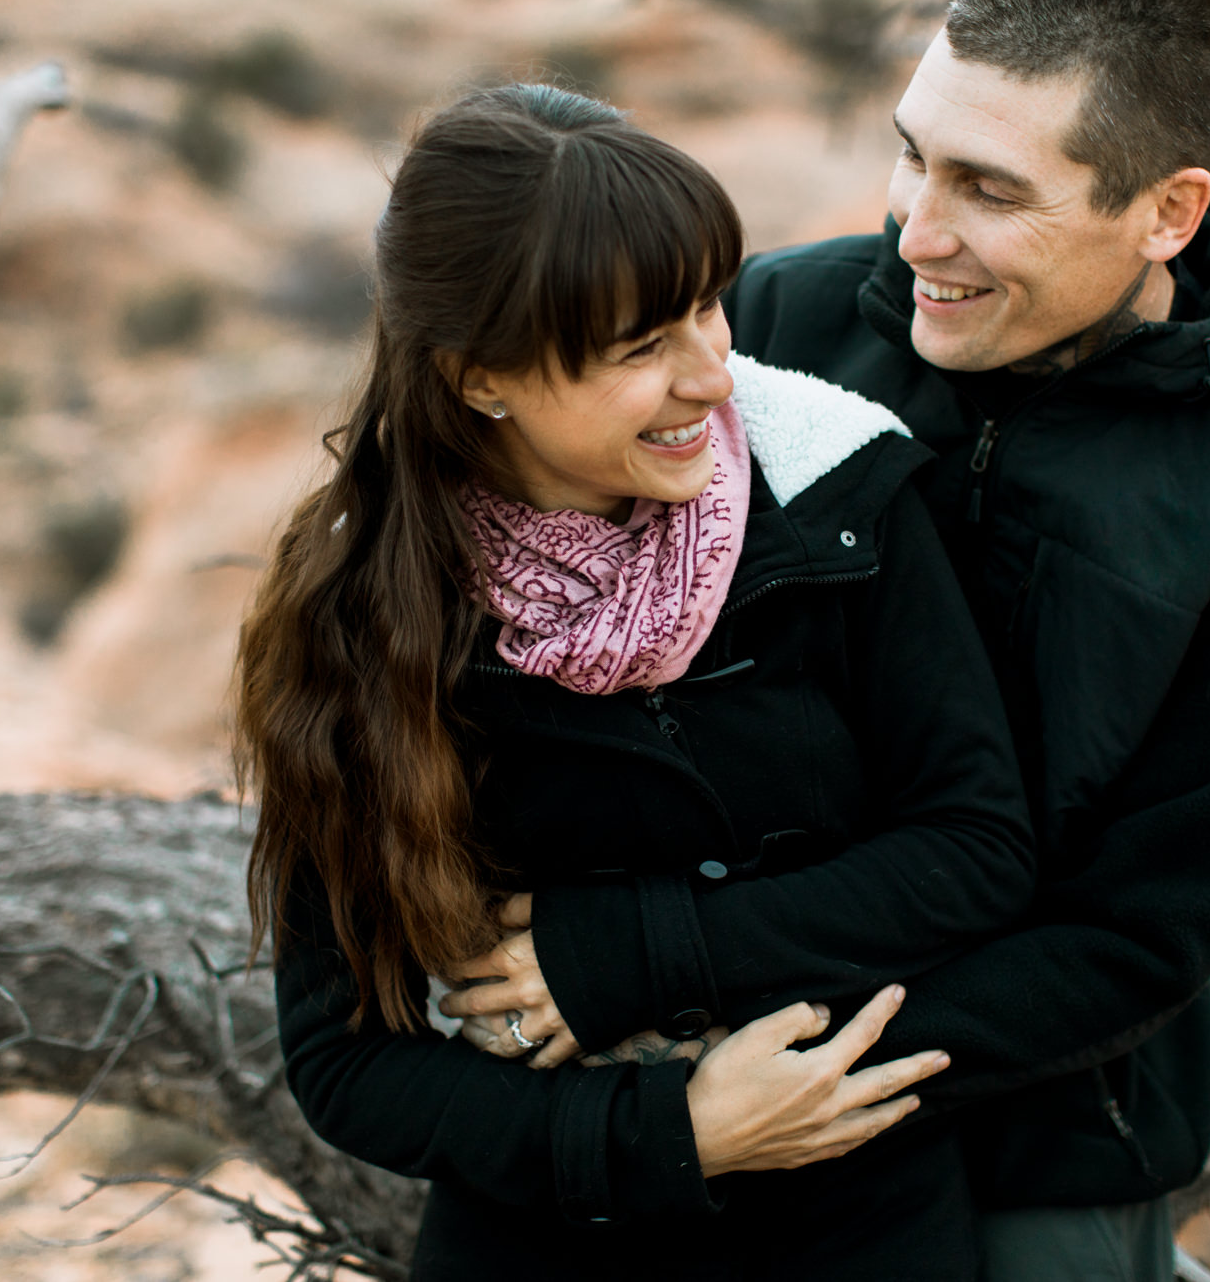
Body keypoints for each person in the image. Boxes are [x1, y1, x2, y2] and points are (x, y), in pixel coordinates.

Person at [475, 0, 1210, 1278]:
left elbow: (1130, 937)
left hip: (1026, 1136)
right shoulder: (777, 328)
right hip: (667, 1068)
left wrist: (731, 1027)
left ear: (1169, 212)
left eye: (989, 191)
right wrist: (660, 1060)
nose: (916, 230)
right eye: (913, 156)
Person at [239, 83, 1045, 1279]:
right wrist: (669, 1134)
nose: (711, 375)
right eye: (639, 349)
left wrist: (634, 950)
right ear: (476, 376)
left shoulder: (839, 490)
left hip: (864, 1230)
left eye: (708, 308)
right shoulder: (359, 604)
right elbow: (348, 1061)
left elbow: (977, 848)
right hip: (546, 1245)